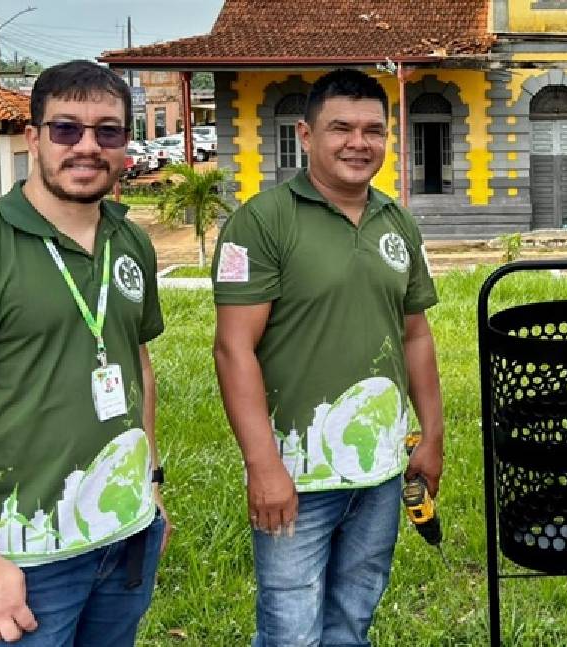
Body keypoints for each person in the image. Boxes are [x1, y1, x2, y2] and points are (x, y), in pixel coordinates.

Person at [212, 68, 444, 647]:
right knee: (291, 630)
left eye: (373, 130)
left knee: (352, 618)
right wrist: (264, 469)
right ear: (305, 134)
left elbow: (415, 334)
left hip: (382, 468)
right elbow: (232, 348)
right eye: (341, 128)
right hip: (296, 471)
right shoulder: (263, 221)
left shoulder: (397, 222)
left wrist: (433, 433)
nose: (358, 143)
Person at [0, 60, 169, 646]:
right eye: (66, 129)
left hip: (125, 538)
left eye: (108, 131)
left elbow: (135, 364)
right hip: (27, 561)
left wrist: (150, 486)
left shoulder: (131, 241)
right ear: (34, 138)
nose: (87, 147)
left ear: (126, 142)